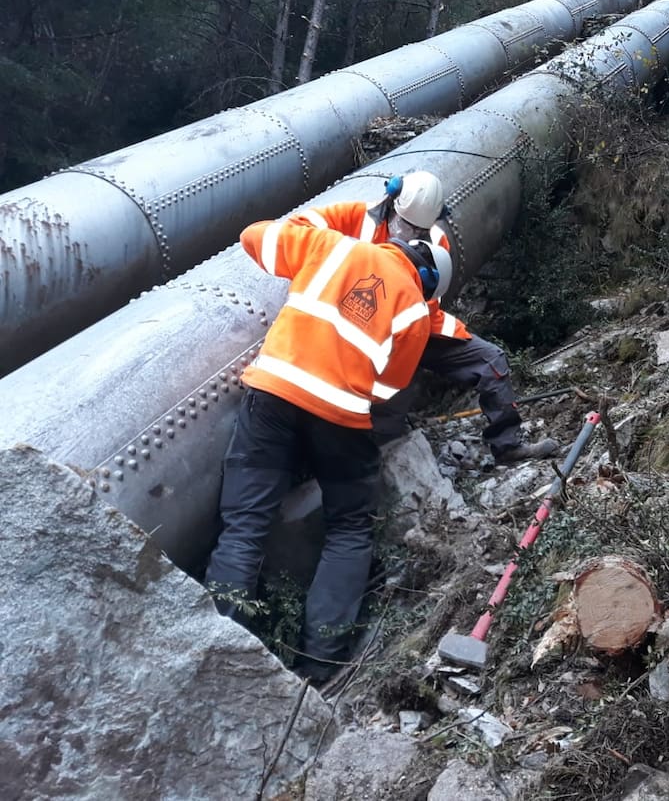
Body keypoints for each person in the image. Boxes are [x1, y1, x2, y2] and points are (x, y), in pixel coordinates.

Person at [205, 213, 444, 682]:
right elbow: (390, 385)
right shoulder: (416, 307)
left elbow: (251, 235)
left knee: (245, 525)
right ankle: (317, 666)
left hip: (272, 397)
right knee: (350, 529)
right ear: (428, 277)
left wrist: (323, 219)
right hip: (341, 419)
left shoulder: (331, 245)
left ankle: (216, 650)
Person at [295, 171, 559, 463]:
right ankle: (357, 457)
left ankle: (508, 446)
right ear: (392, 203)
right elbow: (302, 227)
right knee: (382, 405)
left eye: (417, 230)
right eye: (404, 225)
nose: (407, 235)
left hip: (412, 326)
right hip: (358, 323)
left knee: (490, 361)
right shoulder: (356, 217)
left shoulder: (435, 241)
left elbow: (425, 306)